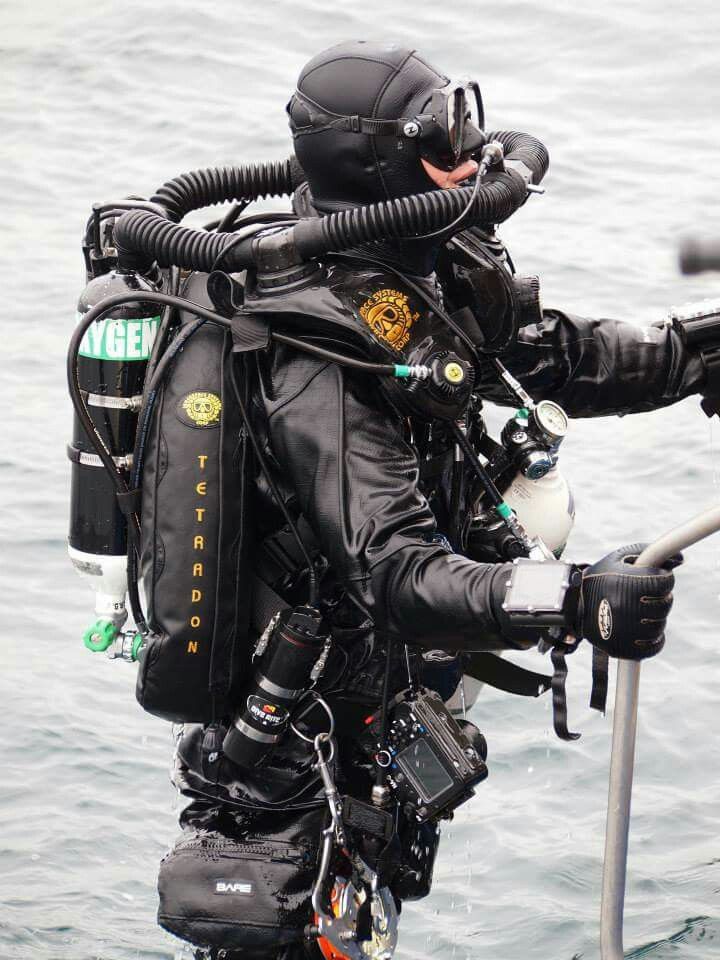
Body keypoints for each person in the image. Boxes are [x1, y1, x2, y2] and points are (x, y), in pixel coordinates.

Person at [162, 41, 710, 960]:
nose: (477, 149)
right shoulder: (314, 360)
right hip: (299, 754)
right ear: (387, 168)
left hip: (384, 686)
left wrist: (700, 351)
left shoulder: (412, 265)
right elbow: (396, 572)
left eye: (470, 116)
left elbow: (551, 356)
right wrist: (576, 597)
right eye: (450, 133)